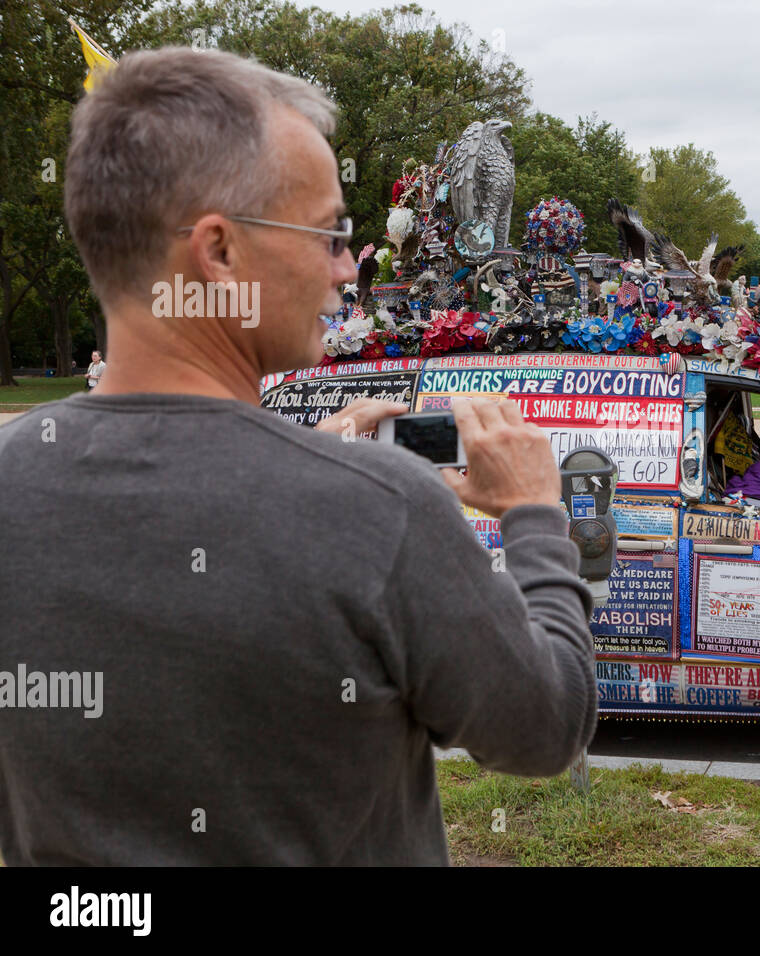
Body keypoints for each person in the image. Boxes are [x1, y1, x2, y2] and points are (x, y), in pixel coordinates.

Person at [0, 47, 597, 865]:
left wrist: (310, 455)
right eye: (329, 234)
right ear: (218, 254)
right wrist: (536, 516)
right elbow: (544, 728)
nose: (349, 268)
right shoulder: (380, 510)